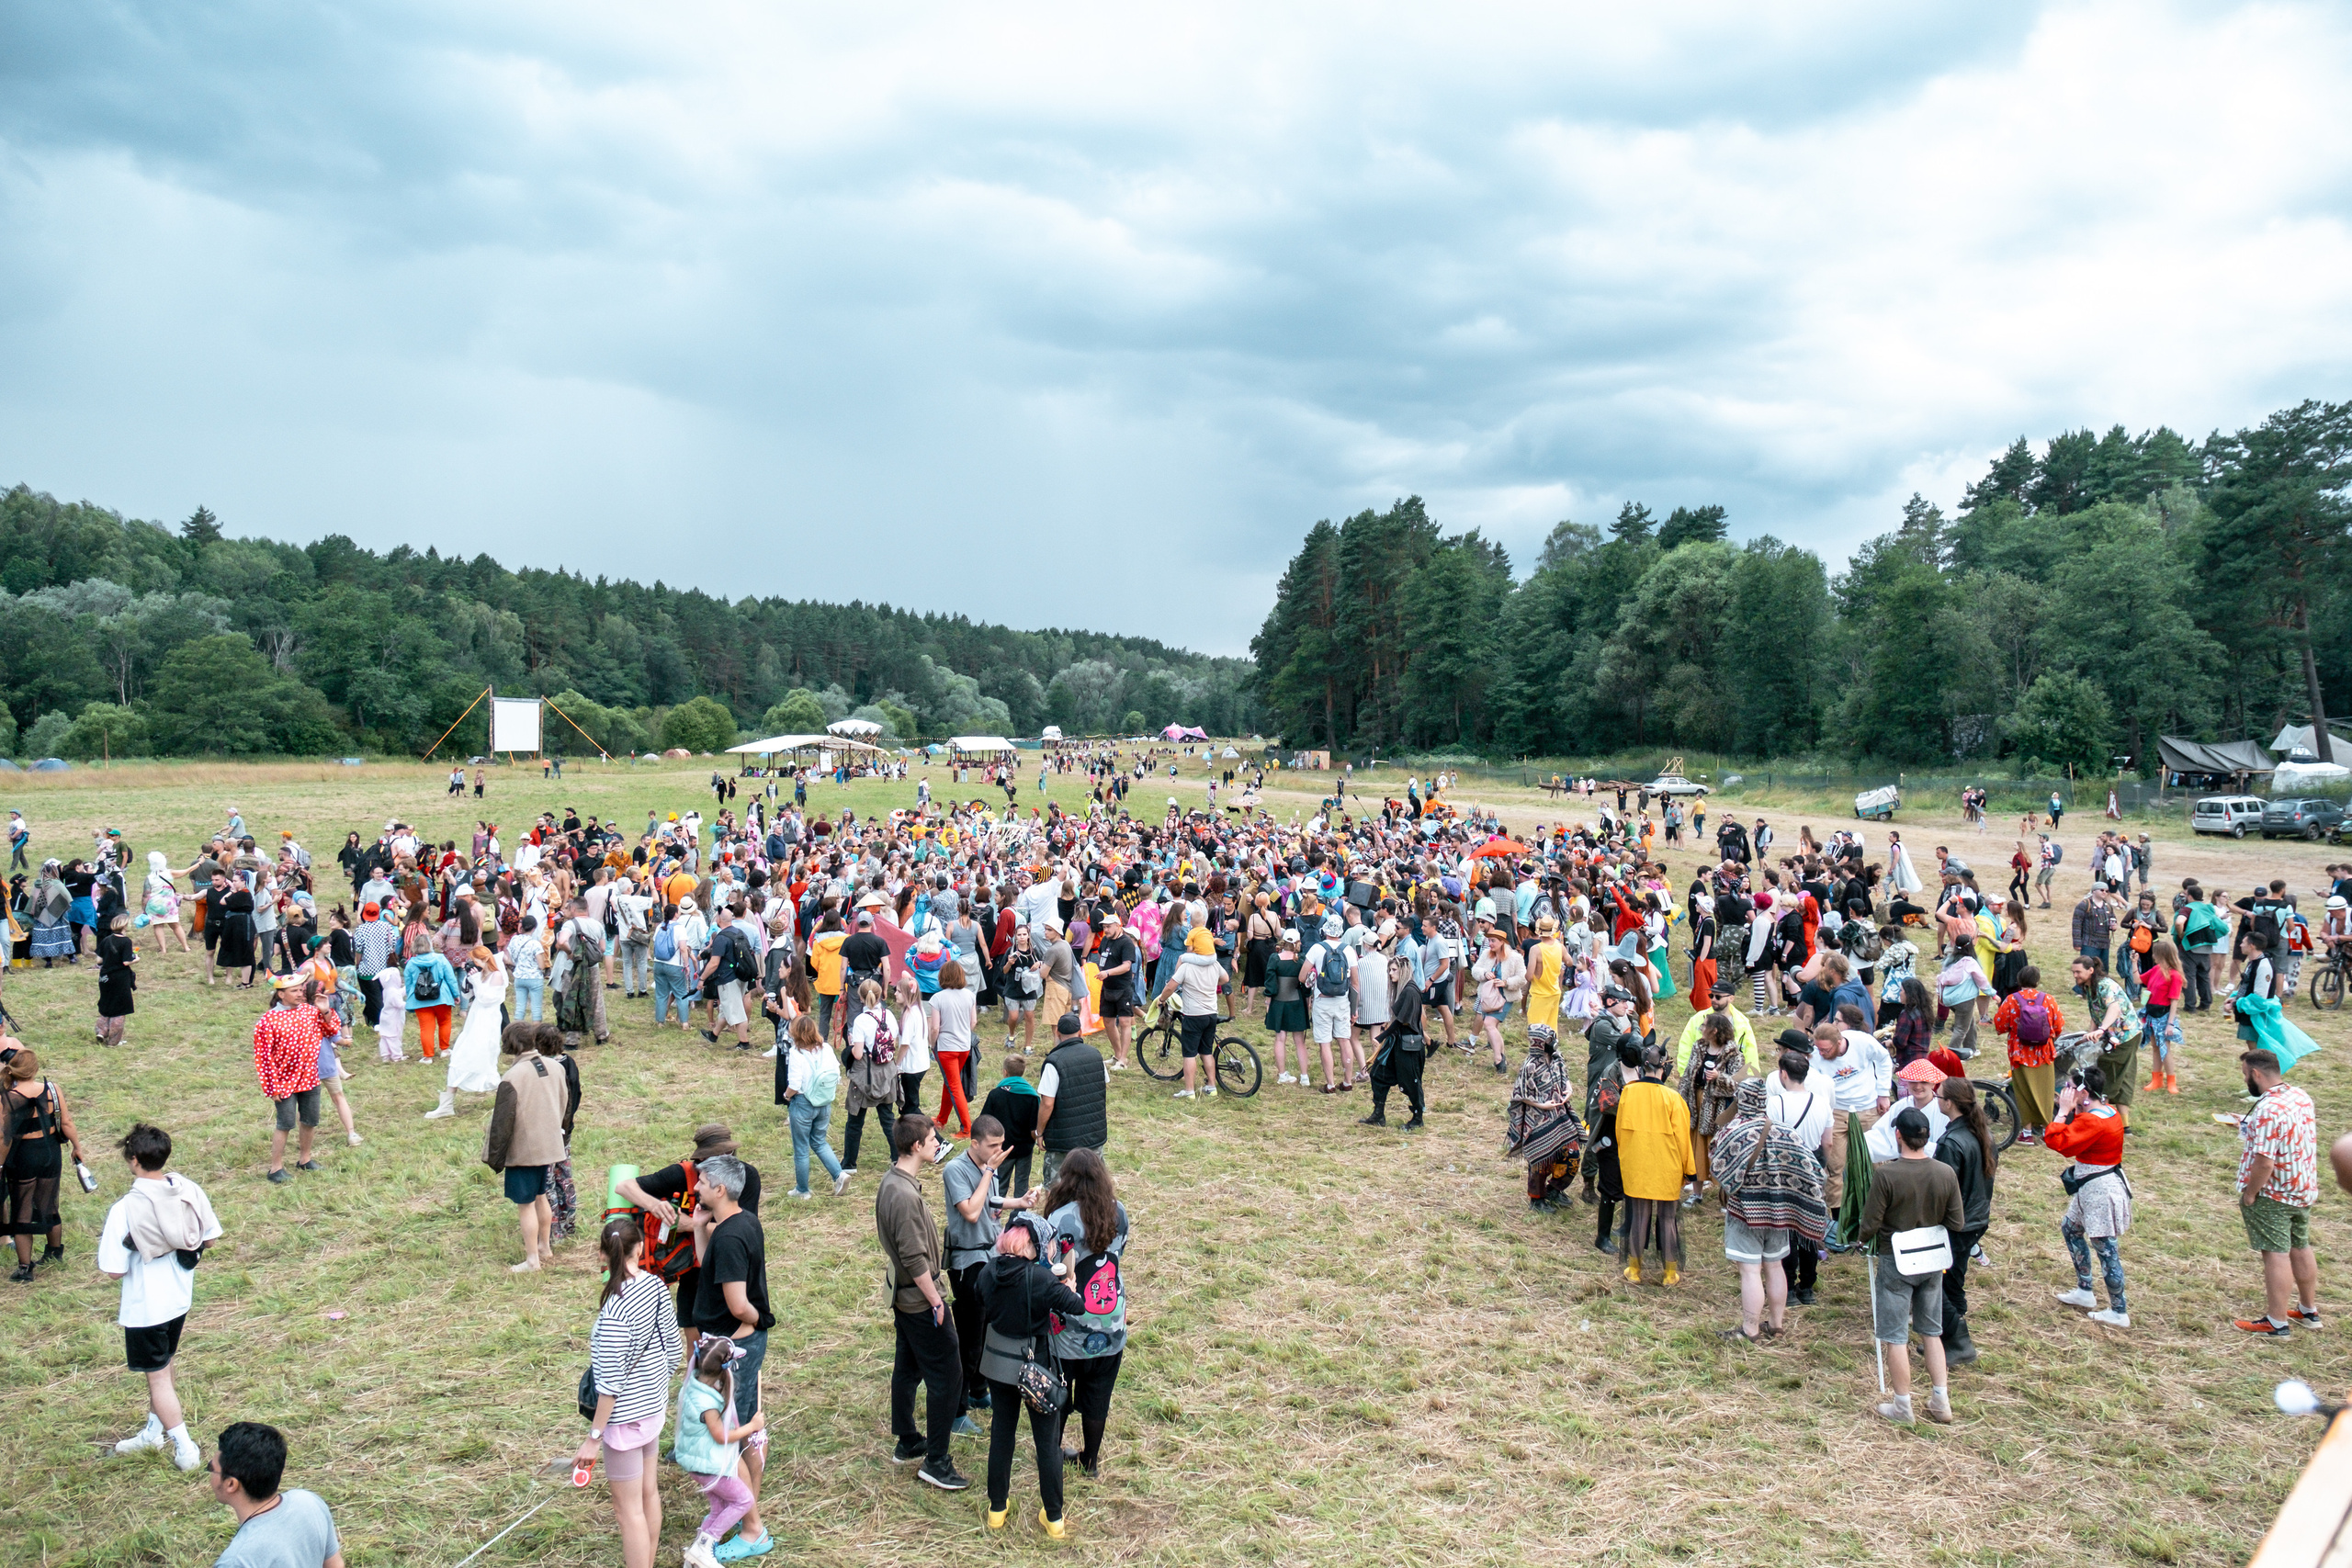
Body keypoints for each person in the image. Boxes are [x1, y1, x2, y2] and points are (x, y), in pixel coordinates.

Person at [101, 1122, 220, 1472]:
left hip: (145, 1306)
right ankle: (154, 1431)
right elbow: (209, 1238)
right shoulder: (188, 1189)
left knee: (157, 1376)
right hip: (180, 1297)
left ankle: (185, 1447)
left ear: (134, 1160)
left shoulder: (125, 1209)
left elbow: (113, 1269)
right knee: (165, 1365)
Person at [976, 1214, 1089, 1538]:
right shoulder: (1040, 1280)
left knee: (1001, 1434)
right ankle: (1053, 1518)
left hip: (997, 1366)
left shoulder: (987, 1271)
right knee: (1046, 1442)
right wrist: (1067, 1286)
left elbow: (979, 1297)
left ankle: (997, 1509)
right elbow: (1076, 1307)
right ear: (1035, 1245)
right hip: (1034, 1368)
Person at [580, 1215, 683, 1568]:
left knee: (628, 1512)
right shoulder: (655, 1287)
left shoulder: (612, 1314)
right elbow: (674, 1348)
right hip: (653, 1410)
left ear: (601, 1255)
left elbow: (608, 1388)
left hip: (624, 1424)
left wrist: (593, 1438)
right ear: (640, 1247)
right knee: (648, 1493)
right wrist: (655, 1386)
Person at [876, 1114, 969, 1491]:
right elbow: (914, 1258)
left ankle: (908, 1439)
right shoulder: (903, 1194)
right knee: (948, 1375)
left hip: (905, 1297)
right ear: (916, 1146)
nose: (937, 1143)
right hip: (920, 1299)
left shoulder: (894, 1181)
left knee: (909, 1365)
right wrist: (936, 1302)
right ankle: (936, 1461)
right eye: (933, 1139)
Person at [1860, 1107, 1965, 1425]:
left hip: (1896, 1260)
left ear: (1898, 1136)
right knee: (1932, 1333)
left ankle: (1903, 1406)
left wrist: (1862, 1238)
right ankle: (1940, 1401)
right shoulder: (1945, 1172)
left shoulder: (1886, 1175)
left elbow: (1870, 1224)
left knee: (1896, 1337)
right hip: (1933, 1260)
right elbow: (1956, 1221)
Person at [691, 1152, 775, 1552]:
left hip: (734, 1347)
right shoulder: (740, 1222)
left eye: (703, 1182)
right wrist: (697, 1229)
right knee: (742, 1431)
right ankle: (744, 1513)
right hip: (731, 1344)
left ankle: (751, 1529)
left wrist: (756, 1320)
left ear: (720, 1189)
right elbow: (713, 1268)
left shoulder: (730, 1236)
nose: (696, 1187)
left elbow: (739, 1303)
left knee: (739, 1436)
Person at [1711, 1076, 1827, 1344]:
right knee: (1775, 1266)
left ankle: (1750, 1329)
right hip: (1780, 1214)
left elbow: (1718, 1167)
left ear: (1740, 1101)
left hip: (1745, 1213)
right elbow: (1813, 1169)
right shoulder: (1785, 1131)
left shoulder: (1732, 1131)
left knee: (1750, 1271)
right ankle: (1776, 1325)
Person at [1039, 1146, 1129, 1482]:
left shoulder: (1059, 1219)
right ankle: (1089, 1461)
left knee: (1060, 1392)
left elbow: (1048, 1267)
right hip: (1111, 1325)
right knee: (1098, 1396)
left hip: (1068, 1327)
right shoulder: (1118, 1212)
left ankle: (1051, 1455)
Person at [945, 1114, 1032, 1437]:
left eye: (1001, 1144)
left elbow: (991, 1204)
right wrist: (990, 1172)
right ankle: (955, 1413)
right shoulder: (956, 1170)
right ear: (975, 1143)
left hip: (991, 1256)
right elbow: (969, 1211)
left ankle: (979, 1390)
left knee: (987, 1329)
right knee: (969, 1339)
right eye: (993, 1146)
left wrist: (1018, 1202)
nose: (999, 1151)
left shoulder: (988, 1168)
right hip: (969, 1263)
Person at [2230, 1048, 2321, 1337]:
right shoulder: (2299, 1096)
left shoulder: (2267, 1109)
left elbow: (2265, 1162)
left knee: (2276, 1255)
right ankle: (2308, 1311)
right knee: (2300, 1246)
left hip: (2274, 1193)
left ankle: (2276, 1321)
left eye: (2245, 1075)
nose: (2246, 1080)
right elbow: (2287, 1131)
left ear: (2256, 1074)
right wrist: (2246, 1124)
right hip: (2302, 1187)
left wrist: (2250, 1194)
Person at [2047, 1066, 2132, 1329]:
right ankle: (2085, 1291)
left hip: (2099, 1192)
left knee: (2106, 1249)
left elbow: (2056, 1141)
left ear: (2083, 1092)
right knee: (2070, 1229)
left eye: (2070, 1087)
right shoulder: (2109, 1112)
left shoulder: (2091, 1120)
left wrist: (2062, 1112)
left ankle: (2119, 1311)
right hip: (2095, 1186)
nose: (2064, 1091)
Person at [673, 1337, 766, 1568]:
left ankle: (695, 1556)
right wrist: (751, 1427)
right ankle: (706, 1546)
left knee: (719, 1507)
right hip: (709, 1465)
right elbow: (721, 1436)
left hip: (697, 1461)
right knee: (743, 1500)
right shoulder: (708, 1402)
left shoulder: (694, 1385)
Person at [484, 1026, 569, 1271]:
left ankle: (532, 1260)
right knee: (541, 1195)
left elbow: (502, 1122)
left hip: (524, 1151)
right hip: (550, 1145)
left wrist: (495, 1156)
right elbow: (565, 1104)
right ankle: (545, 1247)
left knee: (526, 1204)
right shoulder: (556, 1067)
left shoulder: (513, 1076)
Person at [208, 1421, 345, 1567]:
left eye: (211, 1468)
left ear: (231, 1484)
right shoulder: (309, 1502)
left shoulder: (237, 1561)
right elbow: (335, 1565)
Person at [1615, 1046, 1695, 1285]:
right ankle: (1670, 1273)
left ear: (1642, 1067)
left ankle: (1634, 1270)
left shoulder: (1628, 1093)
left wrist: (1627, 1161)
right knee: (1668, 1219)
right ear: (1663, 1067)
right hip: (1667, 1167)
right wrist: (1689, 1170)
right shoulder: (1673, 1098)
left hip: (1637, 1164)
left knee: (1639, 1216)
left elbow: (1619, 1131)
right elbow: (1684, 1138)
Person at [3, 1049, 85, 1280]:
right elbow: (66, 1122)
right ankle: (54, 1252)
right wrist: (77, 1147)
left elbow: (3, 1136)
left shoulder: (8, 1095)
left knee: (22, 1209)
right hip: (51, 1151)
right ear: (35, 1069)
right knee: (49, 1202)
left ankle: (25, 1268)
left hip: (23, 1155)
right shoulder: (52, 1089)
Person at [1932, 1077, 1996, 1365]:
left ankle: (1959, 1341)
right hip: (1976, 1219)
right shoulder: (1981, 1133)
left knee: (1934, 1281)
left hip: (1955, 1224)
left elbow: (1943, 1189)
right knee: (1953, 1277)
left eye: (1939, 1095)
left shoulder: (1951, 1142)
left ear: (1950, 1103)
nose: (1936, 1098)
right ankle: (1947, 1338)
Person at [254, 975, 339, 1185]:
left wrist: (325, 1010)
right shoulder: (268, 1021)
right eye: (294, 991)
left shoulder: (311, 1012)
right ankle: (276, 1168)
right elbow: (263, 1058)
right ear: (281, 994)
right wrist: (272, 1087)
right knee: (285, 1124)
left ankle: (305, 1159)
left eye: (301, 990)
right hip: (284, 1084)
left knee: (310, 1121)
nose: (300, 993)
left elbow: (332, 1030)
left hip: (310, 1078)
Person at [427, 946, 506, 1120]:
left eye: (476, 960)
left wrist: (476, 979)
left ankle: (505, 1102)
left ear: (484, 959)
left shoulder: (497, 975)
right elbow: (468, 996)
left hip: (487, 1022)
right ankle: (446, 1105)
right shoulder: (481, 975)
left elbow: (487, 999)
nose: (475, 964)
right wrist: (468, 980)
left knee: (485, 1062)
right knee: (459, 1058)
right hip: (475, 1020)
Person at [778, 1014, 851, 1199]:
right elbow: (836, 1071)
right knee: (819, 1141)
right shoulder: (826, 1048)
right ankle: (839, 1174)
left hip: (803, 1103)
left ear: (796, 1033)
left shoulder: (796, 1053)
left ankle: (802, 1190)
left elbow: (795, 1084)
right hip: (824, 1102)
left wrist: (786, 1096)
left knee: (801, 1148)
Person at [1507, 1024, 1580, 1207]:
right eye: (1549, 1040)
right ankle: (1537, 1199)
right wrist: (1541, 1104)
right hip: (1538, 1120)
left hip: (1560, 1115)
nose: (1553, 1043)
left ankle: (1555, 1189)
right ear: (1539, 1043)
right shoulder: (1530, 1066)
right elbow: (1519, 1094)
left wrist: (1568, 1089)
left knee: (1572, 1153)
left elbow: (1565, 1078)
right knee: (1541, 1160)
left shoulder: (1557, 1059)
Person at [1035, 1013, 1107, 1184]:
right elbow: (1102, 1085)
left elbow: (1047, 1103)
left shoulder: (1054, 1062)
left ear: (1058, 1033)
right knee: (1094, 1188)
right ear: (1081, 1032)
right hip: (1093, 1135)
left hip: (1063, 1140)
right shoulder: (1096, 1054)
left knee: (1057, 1190)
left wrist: (1039, 1132)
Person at [1363, 949, 1429, 1130]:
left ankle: (1417, 1119)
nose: (1390, 973)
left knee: (1411, 1082)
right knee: (1378, 1074)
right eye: (1390, 970)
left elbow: (1402, 1021)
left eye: (1394, 970)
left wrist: (1382, 1035)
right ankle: (1378, 1114)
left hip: (1409, 1046)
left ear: (1403, 971)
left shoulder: (1410, 991)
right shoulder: (1405, 990)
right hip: (1398, 1043)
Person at [1162, 927, 1224, 1102]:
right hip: (1211, 1013)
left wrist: (1162, 999)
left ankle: (1189, 1091)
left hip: (1193, 1015)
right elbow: (1226, 979)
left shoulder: (1187, 966)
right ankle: (1211, 1087)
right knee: (1206, 1051)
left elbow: (1170, 987)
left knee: (1189, 1054)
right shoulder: (1214, 964)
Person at [1304, 915, 1363, 1090]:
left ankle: (1330, 1084)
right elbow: (1355, 983)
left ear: (1325, 930)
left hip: (1322, 1000)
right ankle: (1347, 1081)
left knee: (1325, 1043)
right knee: (1344, 1040)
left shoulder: (1317, 948)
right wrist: (1354, 1008)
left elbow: (1302, 976)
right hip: (1343, 1001)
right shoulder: (1349, 951)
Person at [979, 1054, 1040, 1197]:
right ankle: (1019, 1216)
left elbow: (984, 1121)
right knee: (1022, 1185)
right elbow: (1034, 1128)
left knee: (999, 1185)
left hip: (1002, 1149)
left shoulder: (995, 1094)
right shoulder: (1032, 1096)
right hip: (1025, 1150)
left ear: (1005, 1072)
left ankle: (995, 1214)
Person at [401, 936, 460, 1063]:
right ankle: (445, 1050)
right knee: (444, 1022)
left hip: (420, 999)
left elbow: (408, 983)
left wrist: (410, 996)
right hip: (441, 996)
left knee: (426, 1028)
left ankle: (428, 1056)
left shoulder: (411, 963)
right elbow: (450, 978)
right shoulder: (440, 959)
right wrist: (456, 994)